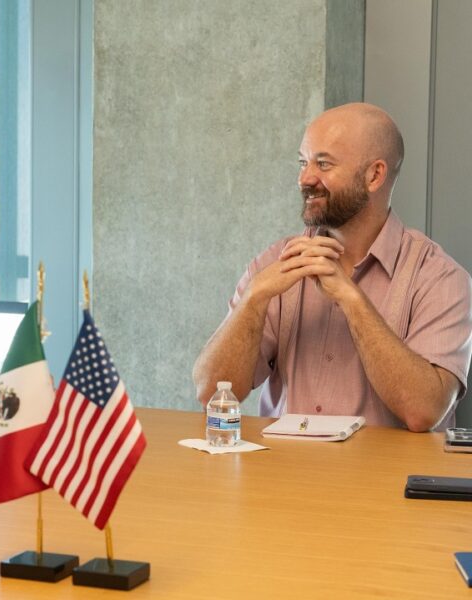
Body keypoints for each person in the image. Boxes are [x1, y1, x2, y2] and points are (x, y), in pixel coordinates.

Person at [193, 102, 472, 432]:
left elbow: (425, 411)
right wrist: (253, 298)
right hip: (280, 476)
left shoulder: (440, 278)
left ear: (374, 175)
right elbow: (211, 392)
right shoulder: (273, 264)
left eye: (323, 164)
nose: (305, 178)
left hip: (385, 482)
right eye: (303, 162)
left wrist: (351, 300)